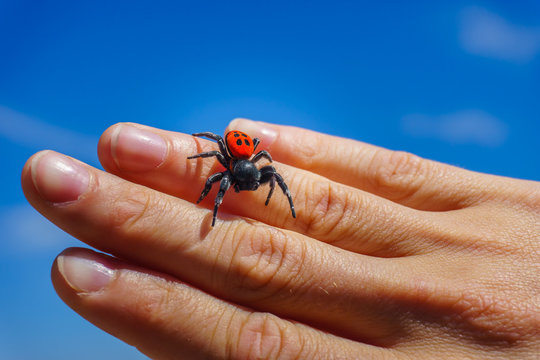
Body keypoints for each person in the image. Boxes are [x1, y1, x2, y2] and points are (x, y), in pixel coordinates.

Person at [22, 119, 539, 359]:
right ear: (232, 159)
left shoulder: (258, 166)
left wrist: (287, 204)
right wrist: (209, 179)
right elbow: (217, 156)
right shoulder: (228, 158)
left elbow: (263, 169)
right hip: (225, 148)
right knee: (219, 177)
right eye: (234, 169)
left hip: (246, 158)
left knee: (265, 187)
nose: (243, 176)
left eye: (247, 174)